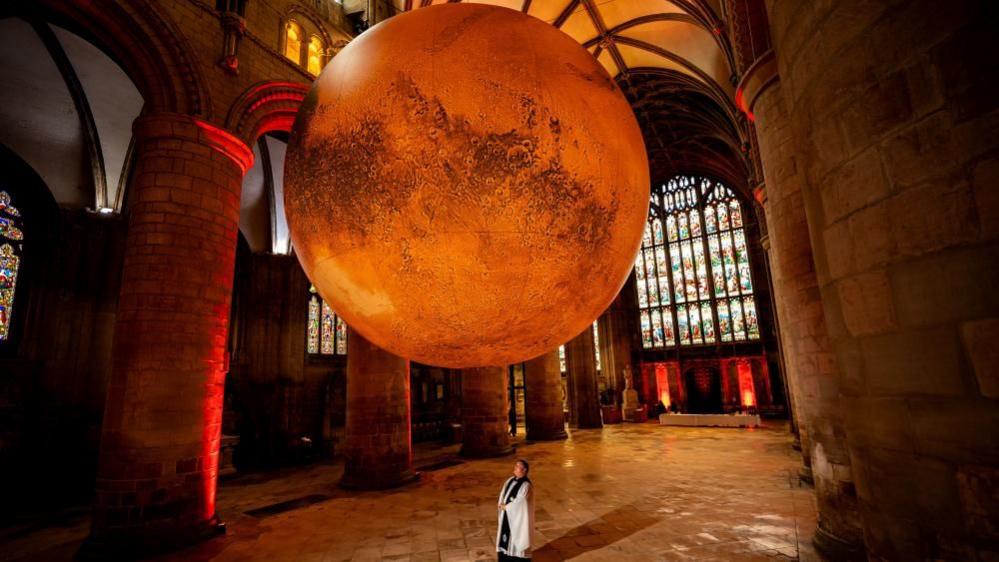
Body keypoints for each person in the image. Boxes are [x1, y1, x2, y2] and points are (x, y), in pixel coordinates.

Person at [496, 459, 534, 561]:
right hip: (507, 515)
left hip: (517, 518)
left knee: (515, 539)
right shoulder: (510, 480)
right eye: (515, 466)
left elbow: (521, 502)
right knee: (505, 540)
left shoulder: (526, 485)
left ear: (524, 470)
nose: (515, 468)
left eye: (518, 466)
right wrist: (501, 504)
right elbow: (503, 494)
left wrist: (506, 507)